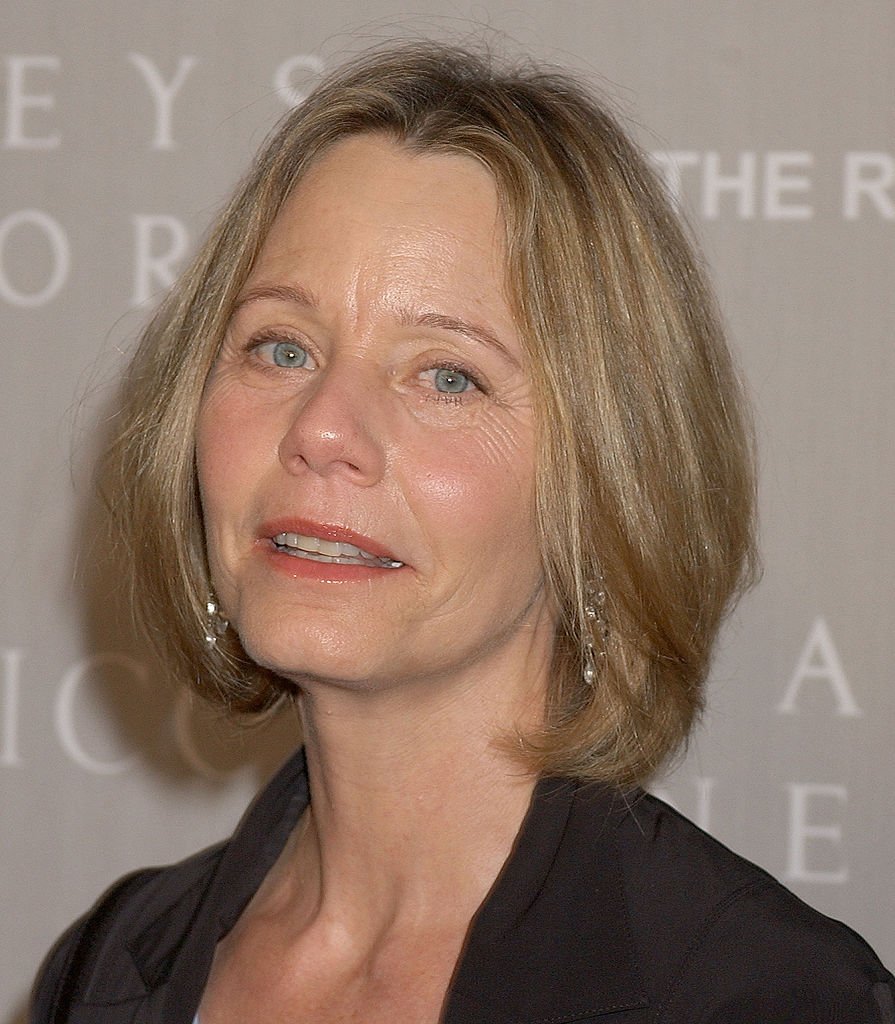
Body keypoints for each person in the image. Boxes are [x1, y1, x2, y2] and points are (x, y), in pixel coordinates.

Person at [31, 41, 894, 1024]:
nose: (320, 428)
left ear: (605, 484)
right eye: (280, 345)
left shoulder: (765, 998)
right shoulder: (111, 961)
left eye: (446, 375)